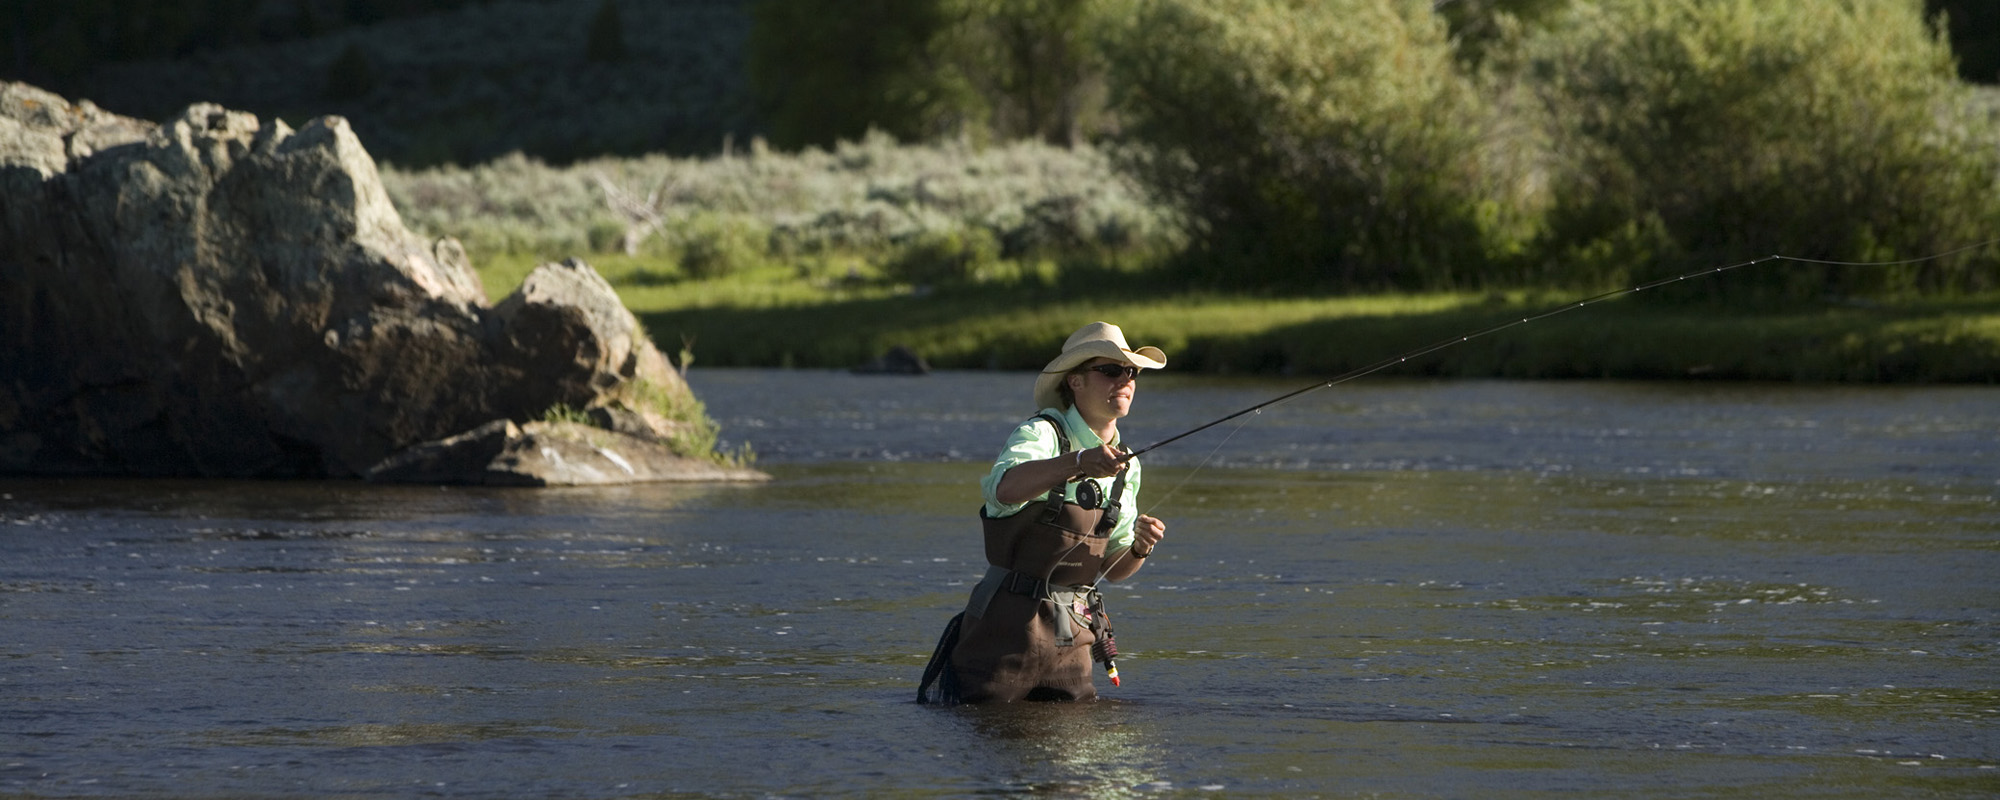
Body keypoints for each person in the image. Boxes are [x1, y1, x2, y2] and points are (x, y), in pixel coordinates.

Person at [919, 322, 1169, 704]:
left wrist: (1140, 547)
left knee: (1078, 744)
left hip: (1074, 637)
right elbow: (1005, 490)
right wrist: (1080, 461)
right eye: (1110, 370)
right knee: (987, 734)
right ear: (1076, 382)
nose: (1125, 380)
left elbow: (1114, 570)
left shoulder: (1128, 467)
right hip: (1003, 630)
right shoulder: (1040, 434)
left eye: (1131, 372)